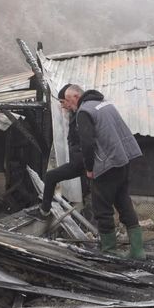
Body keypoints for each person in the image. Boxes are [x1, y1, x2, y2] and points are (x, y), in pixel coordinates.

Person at [64, 84, 145, 259]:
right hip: (123, 161)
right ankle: (138, 251)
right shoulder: (106, 104)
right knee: (124, 203)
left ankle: (109, 252)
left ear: (76, 96)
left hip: (106, 166)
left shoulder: (84, 111)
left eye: (68, 101)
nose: (67, 106)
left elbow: (87, 143)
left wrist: (89, 168)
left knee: (102, 209)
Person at [39, 83, 87, 216]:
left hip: (84, 164)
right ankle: (44, 211)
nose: (62, 105)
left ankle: (44, 212)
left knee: (100, 201)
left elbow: (88, 142)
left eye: (62, 101)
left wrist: (88, 166)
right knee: (51, 176)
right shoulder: (74, 114)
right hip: (79, 163)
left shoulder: (82, 114)